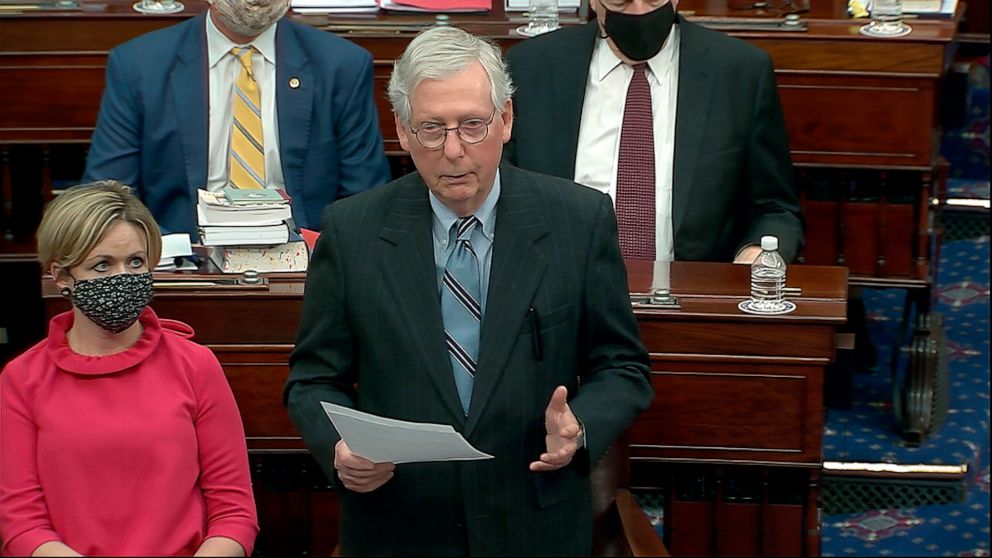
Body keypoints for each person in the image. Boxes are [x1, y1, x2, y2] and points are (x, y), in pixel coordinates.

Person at [284, 26, 653, 556]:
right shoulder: (353, 230)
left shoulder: (577, 219)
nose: (453, 151)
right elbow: (314, 377)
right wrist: (339, 448)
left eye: (472, 125)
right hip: (399, 523)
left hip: (534, 524)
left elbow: (622, 365)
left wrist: (580, 427)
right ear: (403, 133)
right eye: (431, 129)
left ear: (506, 120)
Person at [0, 181, 258, 556]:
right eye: (102, 265)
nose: (123, 278)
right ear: (61, 276)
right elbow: (20, 522)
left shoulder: (195, 365)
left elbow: (234, 513)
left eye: (135, 262)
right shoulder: (22, 379)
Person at [504, 0, 804, 264]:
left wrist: (756, 255)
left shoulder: (739, 71)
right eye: (621, 1)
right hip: (561, 292)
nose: (639, 11)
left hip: (693, 295)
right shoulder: (532, 67)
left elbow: (775, 209)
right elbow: (504, 194)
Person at [83, 0, 392, 238]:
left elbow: (364, 198)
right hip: (183, 261)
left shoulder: (342, 66)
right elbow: (106, 196)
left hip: (305, 266)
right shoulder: (139, 66)